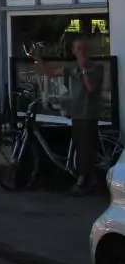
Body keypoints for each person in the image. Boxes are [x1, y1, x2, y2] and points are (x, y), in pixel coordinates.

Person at [30, 35, 104, 196]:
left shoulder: (96, 67)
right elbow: (50, 74)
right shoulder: (71, 68)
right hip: (76, 114)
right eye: (78, 49)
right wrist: (38, 59)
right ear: (73, 50)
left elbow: (91, 87)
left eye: (84, 48)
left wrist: (84, 68)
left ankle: (82, 182)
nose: (81, 52)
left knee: (86, 149)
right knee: (80, 147)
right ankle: (92, 182)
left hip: (89, 114)